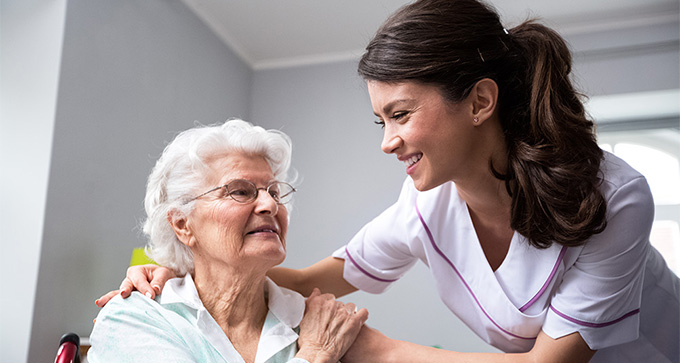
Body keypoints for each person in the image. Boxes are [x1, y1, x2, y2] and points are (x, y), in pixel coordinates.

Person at [98, 0, 680, 362]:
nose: (387, 142)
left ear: (479, 101)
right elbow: (301, 280)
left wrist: (360, 350)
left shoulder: (613, 196)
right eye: (381, 121)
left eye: (401, 114)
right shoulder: (422, 206)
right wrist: (182, 266)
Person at [88, 120, 368, 363]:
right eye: (240, 191)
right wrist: (316, 355)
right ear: (183, 225)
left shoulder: (321, 320)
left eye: (274, 191)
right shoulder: (135, 318)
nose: (269, 204)